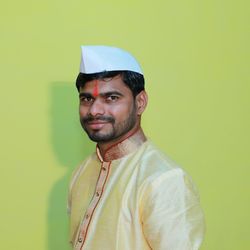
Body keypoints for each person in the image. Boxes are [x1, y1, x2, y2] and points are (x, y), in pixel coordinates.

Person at [68, 45, 205, 250]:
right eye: (87, 99)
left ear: (140, 102)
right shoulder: (83, 171)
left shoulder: (164, 181)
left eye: (111, 98)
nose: (95, 110)